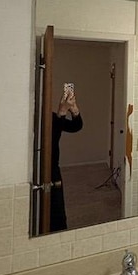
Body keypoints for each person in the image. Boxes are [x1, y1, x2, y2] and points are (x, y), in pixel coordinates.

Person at [50, 84, 83, 232]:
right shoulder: (43, 120)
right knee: (54, 214)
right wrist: (62, 110)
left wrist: (73, 108)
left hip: (54, 170)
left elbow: (76, 126)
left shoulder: (53, 118)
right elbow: (52, 139)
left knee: (58, 213)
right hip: (47, 170)